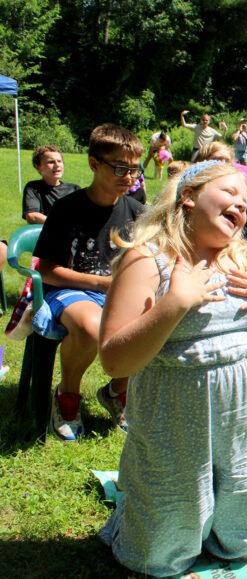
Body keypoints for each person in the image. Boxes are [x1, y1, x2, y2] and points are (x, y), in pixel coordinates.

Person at [97, 160, 247, 576]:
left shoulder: (242, 257)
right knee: (157, 556)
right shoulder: (148, 260)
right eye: (229, 193)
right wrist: (173, 305)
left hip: (244, 417)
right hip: (175, 418)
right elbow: (113, 360)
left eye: (244, 200)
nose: (241, 204)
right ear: (188, 196)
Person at [33, 124, 146, 440]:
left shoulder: (138, 212)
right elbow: (47, 270)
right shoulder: (67, 208)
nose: (129, 177)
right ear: (94, 164)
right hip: (69, 291)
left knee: (147, 322)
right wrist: (101, 284)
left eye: (135, 170)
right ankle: (67, 396)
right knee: (90, 326)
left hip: (117, 293)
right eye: (120, 168)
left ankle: (116, 392)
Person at [23, 145, 79, 224]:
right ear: (38, 167)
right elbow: (32, 216)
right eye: (51, 162)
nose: (57, 165)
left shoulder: (74, 189)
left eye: (59, 161)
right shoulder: (33, 188)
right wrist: (59, 223)